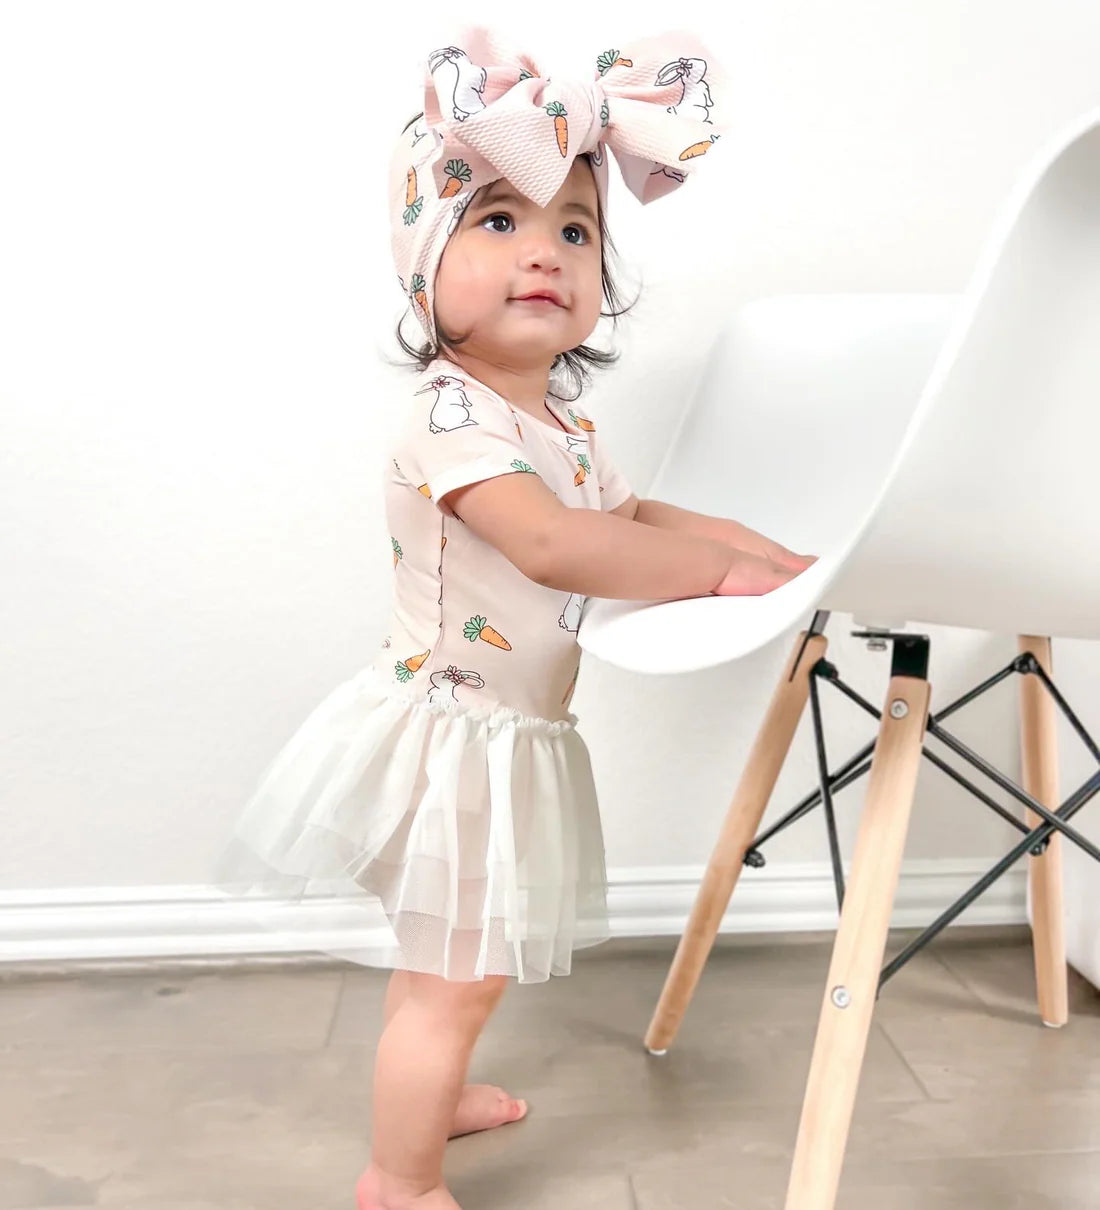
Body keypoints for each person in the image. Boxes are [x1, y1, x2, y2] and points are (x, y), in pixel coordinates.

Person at [212, 24, 815, 1210]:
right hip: (449, 746)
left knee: (453, 970)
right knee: (453, 982)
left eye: (574, 229)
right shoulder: (451, 422)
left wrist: (761, 547)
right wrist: (708, 576)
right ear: (422, 268)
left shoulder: (559, 428)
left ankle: (426, 1104)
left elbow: (624, 507)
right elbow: (551, 541)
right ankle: (398, 1175)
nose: (544, 252)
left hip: (498, 741)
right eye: (497, 221)